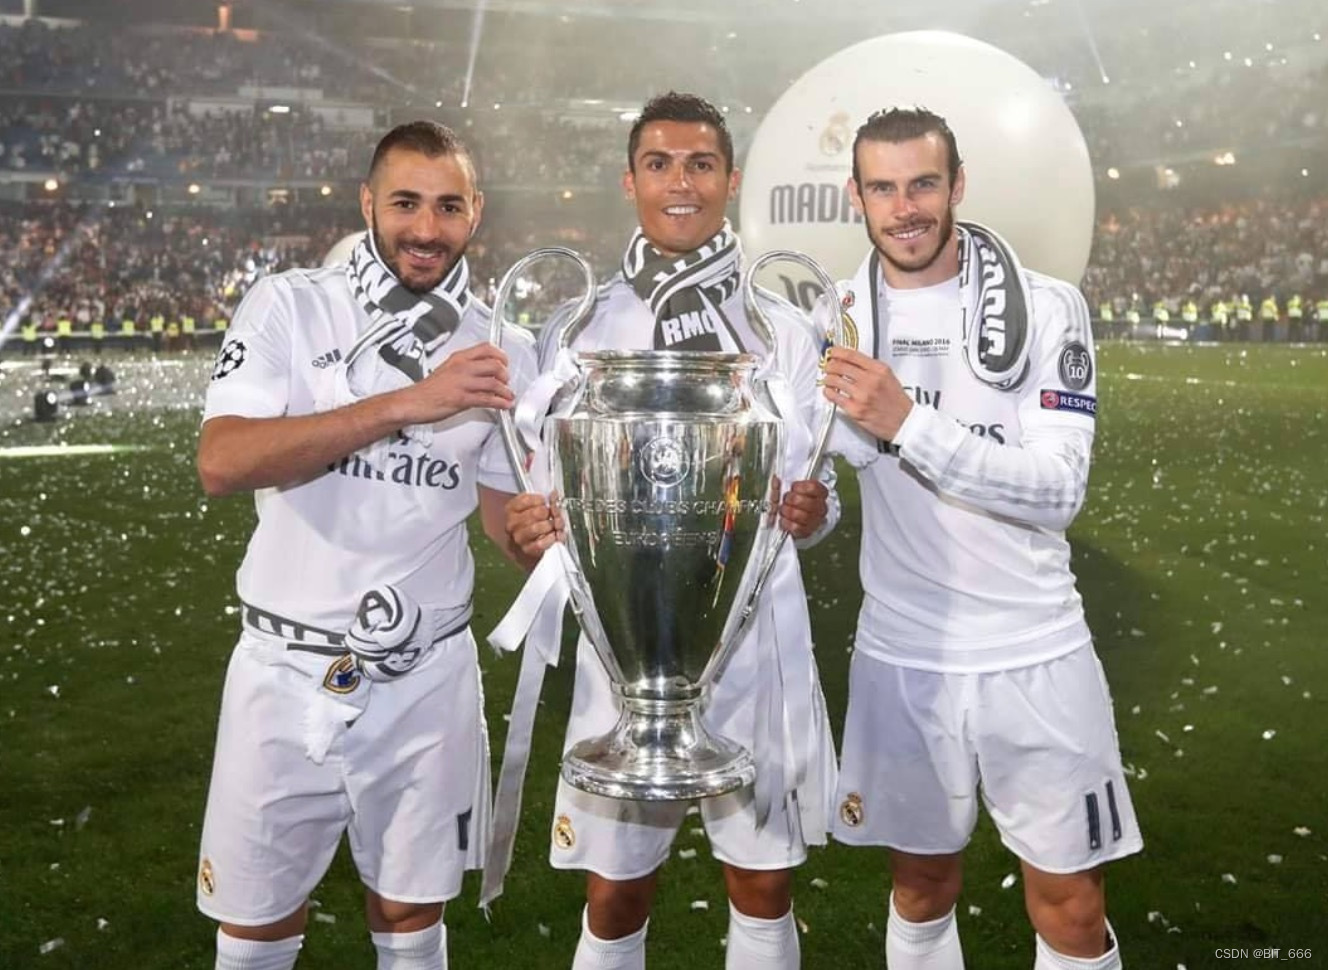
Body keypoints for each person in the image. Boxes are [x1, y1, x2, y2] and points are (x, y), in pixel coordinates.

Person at [501, 92, 838, 970]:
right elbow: (542, 490)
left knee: (762, 884)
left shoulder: (783, 329)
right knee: (614, 893)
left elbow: (818, 487)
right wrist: (530, 523)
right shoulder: (581, 325)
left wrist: (815, 512)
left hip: (749, 639)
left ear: (730, 179)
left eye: (699, 164)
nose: (679, 183)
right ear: (631, 181)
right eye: (659, 164)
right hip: (624, 650)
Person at [194, 120, 536, 970]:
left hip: (428, 672)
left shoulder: (506, 347)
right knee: (255, 926)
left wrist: (543, 541)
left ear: (475, 212)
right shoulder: (291, 302)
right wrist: (408, 402)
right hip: (285, 664)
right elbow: (222, 461)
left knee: (413, 920)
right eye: (405, 203)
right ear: (367, 203)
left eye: (448, 207)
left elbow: (503, 516)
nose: (426, 228)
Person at [820, 108, 1142, 970]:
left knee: (1072, 907)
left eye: (923, 184)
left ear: (957, 185)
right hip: (904, 654)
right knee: (920, 887)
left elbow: (1057, 490)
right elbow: (825, 481)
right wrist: (810, 507)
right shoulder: (836, 316)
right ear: (856, 197)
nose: (905, 208)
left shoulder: (1046, 306)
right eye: (883, 188)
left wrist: (908, 423)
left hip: (1035, 648)